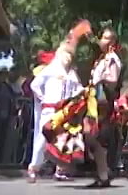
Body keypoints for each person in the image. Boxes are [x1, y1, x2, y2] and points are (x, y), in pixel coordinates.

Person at [44, 23, 123, 188]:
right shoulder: (102, 59)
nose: (106, 42)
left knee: (91, 135)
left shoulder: (112, 59)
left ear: (114, 41)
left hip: (101, 102)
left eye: (110, 39)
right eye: (104, 38)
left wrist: (97, 84)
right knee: (91, 138)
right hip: (94, 100)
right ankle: (103, 173)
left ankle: (102, 172)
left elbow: (112, 81)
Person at [27, 46, 81, 182]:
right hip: (49, 110)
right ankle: (33, 167)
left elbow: (78, 89)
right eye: (65, 54)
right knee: (43, 138)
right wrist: (42, 98)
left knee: (62, 139)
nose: (68, 58)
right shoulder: (50, 69)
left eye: (70, 55)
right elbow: (34, 85)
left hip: (64, 112)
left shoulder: (72, 74)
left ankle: (60, 170)